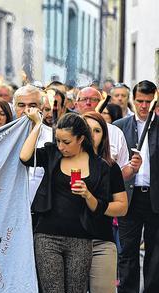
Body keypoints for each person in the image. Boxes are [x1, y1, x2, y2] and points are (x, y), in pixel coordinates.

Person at [20, 111, 111, 293]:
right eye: (58, 140)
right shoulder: (53, 153)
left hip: (81, 237)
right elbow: (25, 157)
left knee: (76, 290)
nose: (61, 146)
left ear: (81, 139)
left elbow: (101, 206)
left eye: (66, 142)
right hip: (47, 235)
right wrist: (38, 125)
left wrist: (87, 194)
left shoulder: (99, 165)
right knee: (52, 289)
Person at [82, 111, 137, 293]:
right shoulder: (64, 161)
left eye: (97, 131)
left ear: (104, 136)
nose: (92, 135)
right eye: (87, 130)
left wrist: (95, 203)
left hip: (101, 239)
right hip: (70, 239)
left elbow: (122, 207)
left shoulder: (110, 166)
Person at [114, 80, 159, 293]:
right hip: (129, 196)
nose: (143, 106)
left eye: (148, 102)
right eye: (140, 101)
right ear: (133, 100)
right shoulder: (121, 126)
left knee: (155, 253)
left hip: (155, 197)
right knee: (127, 252)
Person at [74, 87, 129, 169]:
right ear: (76, 105)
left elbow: (122, 168)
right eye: (84, 99)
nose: (88, 103)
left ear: (102, 103)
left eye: (93, 99)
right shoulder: (69, 129)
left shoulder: (115, 132)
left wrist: (132, 169)